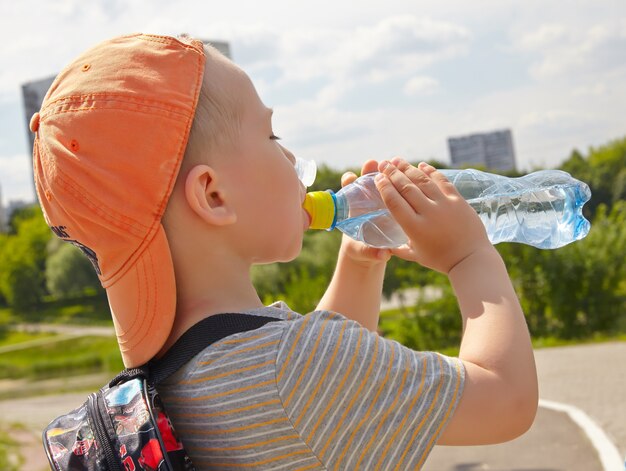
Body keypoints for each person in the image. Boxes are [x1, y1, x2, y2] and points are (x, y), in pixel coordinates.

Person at [32, 33, 537, 470]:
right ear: (213, 196)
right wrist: (469, 256)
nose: (294, 158)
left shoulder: (187, 371)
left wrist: (358, 264)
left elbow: (325, 399)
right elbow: (506, 399)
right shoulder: (292, 368)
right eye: (271, 134)